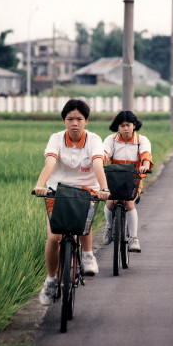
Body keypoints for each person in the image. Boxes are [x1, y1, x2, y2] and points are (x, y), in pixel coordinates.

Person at [34, 99, 110, 306]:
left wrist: (104, 189)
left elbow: (97, 163)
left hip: (86, 190)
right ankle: (50, 280)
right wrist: (40, 185)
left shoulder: (94, 139)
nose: (74, 123)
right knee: (54, 237)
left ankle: (87, 255)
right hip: (58, 190)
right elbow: (50, 162)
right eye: (70, 119)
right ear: (64, 121)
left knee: (83, 223)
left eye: (79, 119)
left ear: (86, 120)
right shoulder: (56, 139)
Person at [102, 110, 153, 252]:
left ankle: (133, 238)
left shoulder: (141, 140)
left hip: (133, 177)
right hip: (114, 177)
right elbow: (103, 153)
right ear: (117, 127)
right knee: (110, 201)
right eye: (122, 125)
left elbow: (146, 155)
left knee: (129, 202)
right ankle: (109, 227)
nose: (125, 128)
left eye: (128, 125)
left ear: (134, 125)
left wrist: (144, 166)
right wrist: (100, 162)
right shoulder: (111, 140)